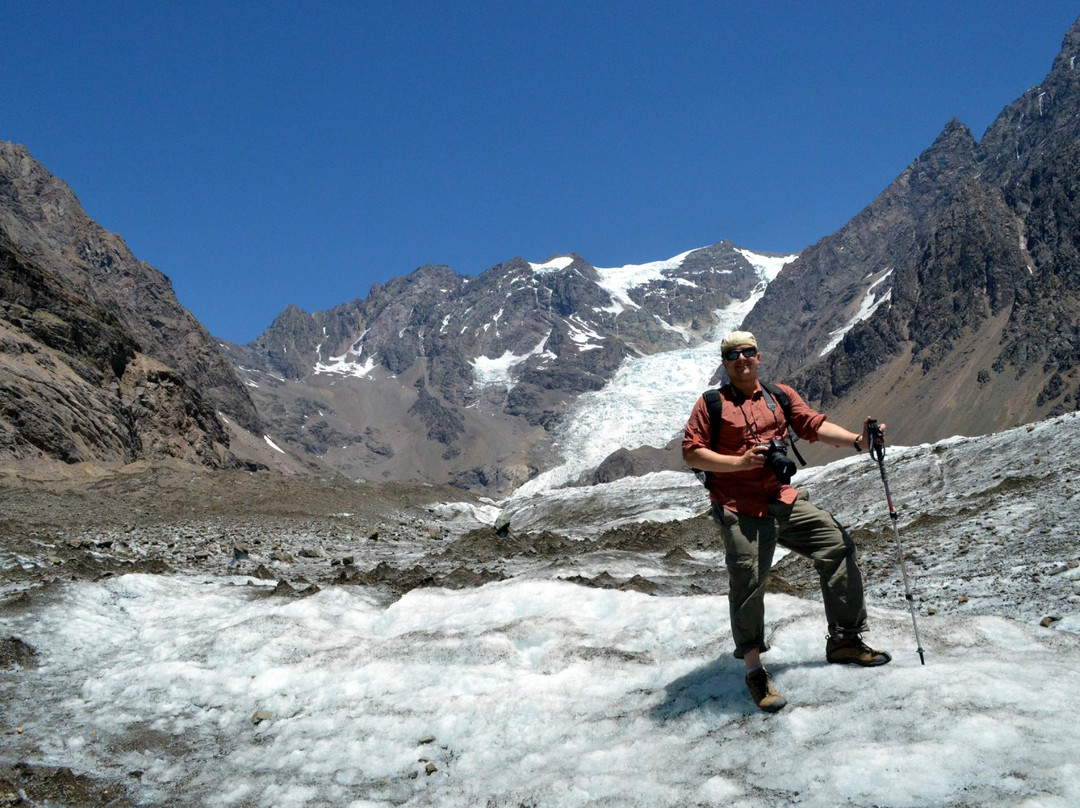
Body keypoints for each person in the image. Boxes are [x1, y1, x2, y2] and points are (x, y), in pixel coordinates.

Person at [682, 330, 891, 713]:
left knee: (836, 544)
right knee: (748, 580)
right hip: (739, 505)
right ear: (725, 363)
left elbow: (813, 425)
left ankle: (844, 639)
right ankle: (754, 669)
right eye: (732, 355)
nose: (741, 359)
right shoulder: (712, 404)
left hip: (781, 498)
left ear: (758, 356)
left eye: (747, 352)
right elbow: (692, 453)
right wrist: (739, 463)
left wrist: (858, 442)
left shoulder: (779, 395)